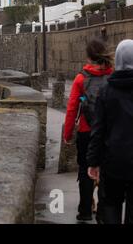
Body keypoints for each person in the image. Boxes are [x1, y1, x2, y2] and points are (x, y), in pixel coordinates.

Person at [63, 38, 113, 221]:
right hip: (108, 133)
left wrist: (67, 134)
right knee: (106, 171)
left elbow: (71, 109)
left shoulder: (81, 79)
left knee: (85, 169)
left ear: (88, 57)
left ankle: (84, 211)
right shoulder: (112, 76)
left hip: (86, 132)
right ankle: (103, 211)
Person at [87, 39, 133, 224]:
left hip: (112, 161)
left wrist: (93, 162)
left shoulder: (106, 91)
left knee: (111, 206)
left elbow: (98, 129)